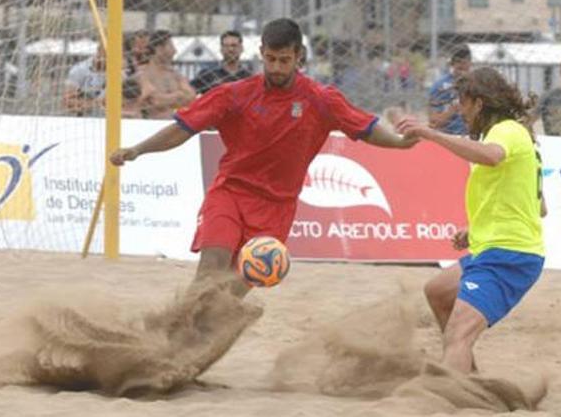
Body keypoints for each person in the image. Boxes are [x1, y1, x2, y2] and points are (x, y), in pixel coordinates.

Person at [110, 18, 418, 296]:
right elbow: (183, 128)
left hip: (276, 208)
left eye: (285, 60)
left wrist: (401, 143)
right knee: (209, 273)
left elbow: (366, 127)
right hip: (230, 193)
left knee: (230, 295)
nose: (276, 68)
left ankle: (197, 347)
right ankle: (170, 340)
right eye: (270, 59)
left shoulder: (321, 100)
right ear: (261, 53)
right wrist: (138, 150)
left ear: (299, 57)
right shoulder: (235, 94)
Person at [396, 67, 545, 374]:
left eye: (463, 104)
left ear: (479, 103)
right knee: (437, 292)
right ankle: (470, 381)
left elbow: (490, 156)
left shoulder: (505, 131)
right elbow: (540, 206)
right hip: (492, 246)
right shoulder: (515, 134)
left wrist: (431, 133)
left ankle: (458, 394)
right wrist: (475, 228)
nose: (460, 112)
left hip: (509, 255)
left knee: (457, 334)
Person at [131, 30, 196, 119]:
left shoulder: (176, 75)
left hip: (176, 124)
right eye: (171, 46)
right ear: (159, 49)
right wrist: (179, 95)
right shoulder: (143, 74)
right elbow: (155, 101)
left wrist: (166, 98)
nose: (175, 51)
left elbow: (191, 97)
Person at [190, 30, 252, 95]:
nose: (230, 49)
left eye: (234, 45)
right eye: (226, 46)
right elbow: (188, 94)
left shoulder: (249, 77)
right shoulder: (208, 74)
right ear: (221, 49)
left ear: (241, 48)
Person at [428, 45, 472, 135]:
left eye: (465, 61)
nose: (462, 65)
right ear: (452, 63)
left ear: (470, 62)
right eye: (458, 62)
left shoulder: (477, 83)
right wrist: (453, 109)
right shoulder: (440, 86)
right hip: (448, 135)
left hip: (471, 135)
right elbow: (434, 123)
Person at [63, 43, 105, 117]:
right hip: (84, 121)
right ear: (99, 51)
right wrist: (97, 103)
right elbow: (67, 102)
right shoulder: (79, 70)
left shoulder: (123, 72)